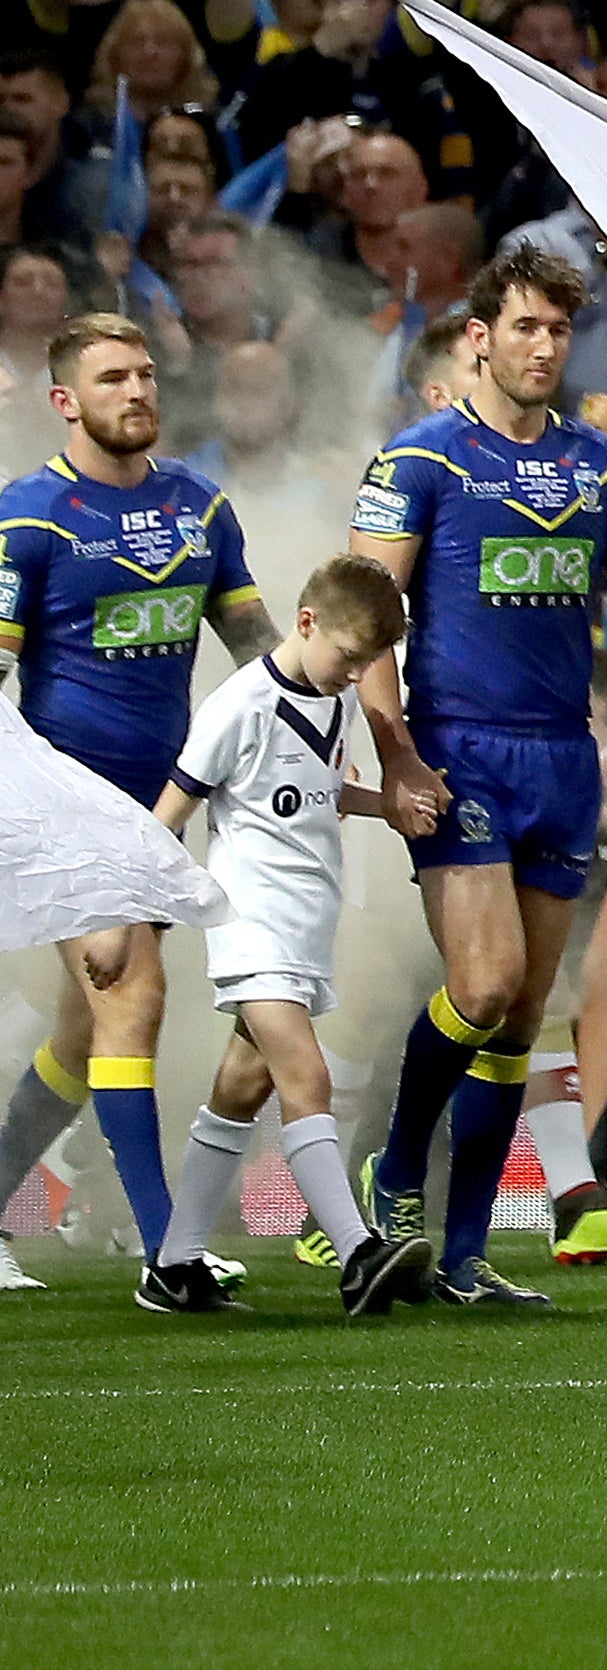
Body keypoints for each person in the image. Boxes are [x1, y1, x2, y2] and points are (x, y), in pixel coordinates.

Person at [351, 249, 607, 1308]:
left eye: (558, 329)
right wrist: (396, 748)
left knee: (516, 1020)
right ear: (478, 336)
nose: (544, 346)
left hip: (560, 755)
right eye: (524, 328)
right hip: (459, 746)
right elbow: (372, 612)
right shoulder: (419, 460)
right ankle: (396, 1168)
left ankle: (466, 1257)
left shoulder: (601, 467)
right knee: (488, 982)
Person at [0, 312, 279, 1306]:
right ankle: (170, 1250)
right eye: (113, 376)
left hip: (160, 803)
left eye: (147, 373)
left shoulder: (201, 509)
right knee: (136, 998)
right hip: (69, 807)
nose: (137, 391)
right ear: (65, 400)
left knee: (86, 1029)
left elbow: (256, 651)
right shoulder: (27, 519)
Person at [143, 556, 430, 1315]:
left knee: (243, 1087)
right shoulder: (238, 705)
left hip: (306, 927)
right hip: (252, 927)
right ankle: (357, 1252)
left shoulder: (332, 702)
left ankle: (174, 1266)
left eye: (370, 662)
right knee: (309, 1078)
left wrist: (387, 807)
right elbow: (171, 811)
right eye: (349, 656)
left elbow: (319, 794)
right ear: (306, 622)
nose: (356, 673)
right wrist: (138, 917)